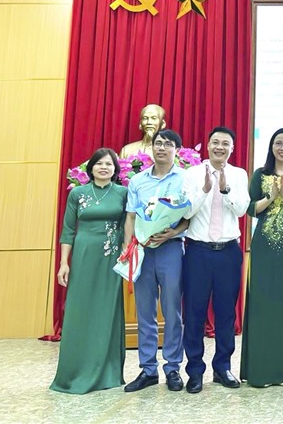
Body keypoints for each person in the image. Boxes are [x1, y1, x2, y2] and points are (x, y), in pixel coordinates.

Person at [50, 148, 128, 394]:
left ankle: (106, 372)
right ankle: (73, 371)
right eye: (99, 163)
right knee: (79, 311)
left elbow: (129, 225)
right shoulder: (78, 193)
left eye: (109, 164)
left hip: (110, 257)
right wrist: (64, 263)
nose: (104, 167)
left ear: (115, 169)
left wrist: (127, 253)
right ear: (91, 167)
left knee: (106, 311)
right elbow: (67, 230)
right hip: (83, 257)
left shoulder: (123, 193)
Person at [181, 126, 250, 393]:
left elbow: (242, 210)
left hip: (229, 252)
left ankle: (223, 367)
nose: (220, 147)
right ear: (208, 145)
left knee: (225, 313)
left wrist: (225, 189)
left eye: (225, 143)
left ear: (232, 148)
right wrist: (204, 190)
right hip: (197, 252)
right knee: (194, 312)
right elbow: (186, 211)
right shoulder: (192, 173)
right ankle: (195, 371)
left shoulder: (239, 174)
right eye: (215, 142)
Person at [240, 128, 283, 387]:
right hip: (263, 245)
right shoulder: (261, 174)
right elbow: (251, 209)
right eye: (278, 143)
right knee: (262, 303)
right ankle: (262, 371)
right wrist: (270, 197)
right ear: (271, 147)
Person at [123, 129, 189, 392]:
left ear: (177, 150)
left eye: (168, 144)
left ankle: (173, 367)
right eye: (158, 143)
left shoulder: (185, 179)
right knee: (145, 310)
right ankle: (148, 369)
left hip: (170, 248)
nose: (161, 148)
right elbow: (130, 216)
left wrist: (172, 232)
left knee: (172, 310)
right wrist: (129, 247)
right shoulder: (138, 180)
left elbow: (190, 215)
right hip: (143, 249)